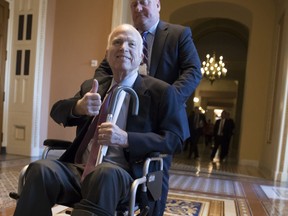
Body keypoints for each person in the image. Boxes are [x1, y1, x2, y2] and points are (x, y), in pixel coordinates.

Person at [13, 24, 188, 216]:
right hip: (79, 170)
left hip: (124, 175)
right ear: (107, 53)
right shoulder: (93, 87)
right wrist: (78, 107)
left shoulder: (162, 92)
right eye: (117, 42)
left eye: (131, 44)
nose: (123, 48)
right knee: (40, 169)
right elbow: (57, 111)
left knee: (104, 173)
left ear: (141, 56)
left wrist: (126, 138)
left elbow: (176, 139)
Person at [94, 1, 202, 213]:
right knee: (115, 170)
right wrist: (99, 93)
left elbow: (193, 70)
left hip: (159, 120)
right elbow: (102, 71)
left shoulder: (178, 34)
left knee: (154, 175)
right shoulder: (125, 40)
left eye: (144, 2)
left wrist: (166, 100)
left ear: (158, 5)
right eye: (133, 4)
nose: (138, 8)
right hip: (127, 114)